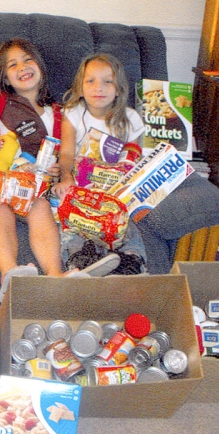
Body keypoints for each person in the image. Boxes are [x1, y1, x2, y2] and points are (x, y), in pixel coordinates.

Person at [0, 39, 108, 303]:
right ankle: (9, 273)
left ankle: (55, 274)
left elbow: (65, 152)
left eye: (27, 59)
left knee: (41, 208)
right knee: (1, 212)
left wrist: (58, 168)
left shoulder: (59, 112)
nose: (22, 67)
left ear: (40, 65)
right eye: (13, 65)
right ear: (5, 77)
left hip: (35, 189)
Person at [53, 53, 147, 275]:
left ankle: (132, 261)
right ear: (80, 87)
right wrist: (66, 177)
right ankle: (80, 261)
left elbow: (135, 160)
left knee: (125, 218)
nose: (99, 88)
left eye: (108, 81)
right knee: (71, 220)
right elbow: (66, 153)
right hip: (81, 187)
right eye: (91, 81)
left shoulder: (130, 119)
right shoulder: (73, 113)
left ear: (119, 88)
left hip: (114, 191)